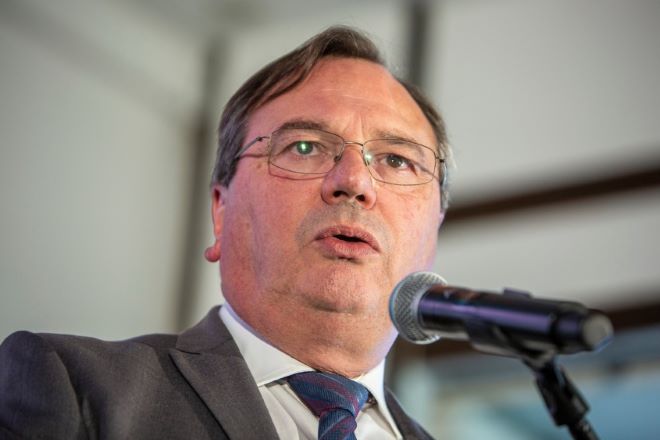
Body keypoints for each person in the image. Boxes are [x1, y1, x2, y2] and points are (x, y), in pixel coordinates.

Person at [0, 25, 449, 439]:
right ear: (221, 211)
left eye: (397, 160)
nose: (353, 181)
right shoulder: (73, 386)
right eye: (304, 147)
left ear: (432, 234)